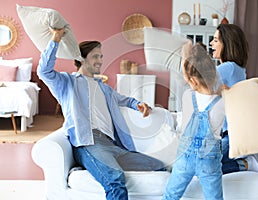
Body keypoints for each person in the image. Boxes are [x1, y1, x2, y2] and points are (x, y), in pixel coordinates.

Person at [37, 28, 165, 200]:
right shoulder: (67, 83)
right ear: (81, 59)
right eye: (95, 56)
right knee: (115, 181)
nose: (100, 60)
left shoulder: (104, 88)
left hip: (114, 146)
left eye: (101, 56)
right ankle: (89, 162)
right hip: (89, 142)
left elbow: (125, 100)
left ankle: (90, 166)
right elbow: (44, 71)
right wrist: (56, 39)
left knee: (159, 166)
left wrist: (139, 104)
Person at [162, 43, 225, 200]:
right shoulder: (223, 102)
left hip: (184, 158)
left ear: (192, 81)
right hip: (209, 160)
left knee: (170, 195)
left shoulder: (187, 96)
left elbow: (186, 74)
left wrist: (188, 54)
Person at [210, 24, 258, 175]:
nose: (211, 43)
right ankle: (243, 163)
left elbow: (199, 85)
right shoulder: (237, 68)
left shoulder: (227, 67)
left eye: (216, 40)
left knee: (203, 165)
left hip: (232, 134)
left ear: (226, 44)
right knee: (204, 162)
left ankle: (245, 165)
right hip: (233, 132)